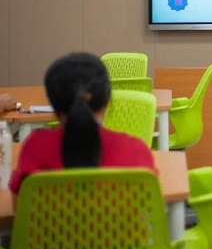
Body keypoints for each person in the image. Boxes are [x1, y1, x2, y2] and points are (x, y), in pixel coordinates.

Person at [8, 52, 157, 196]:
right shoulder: (136, 151)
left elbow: (20, 207)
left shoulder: (34, 149)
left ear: (54, 107)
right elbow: (148, 206)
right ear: (107, 102)